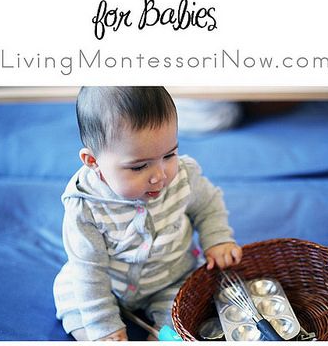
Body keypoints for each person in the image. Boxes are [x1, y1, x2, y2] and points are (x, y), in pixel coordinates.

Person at [53, 87, 242, 341]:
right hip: (105, 283)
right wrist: (105, 327)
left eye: (169, 155)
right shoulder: (85, 206)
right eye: (139, 166)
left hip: (170, 278)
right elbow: (89, 271)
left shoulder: (183, 177)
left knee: (186, 311)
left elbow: (208, 205)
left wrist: (217, 238)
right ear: (93, 161)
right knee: (71, 295)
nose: (159, 175)